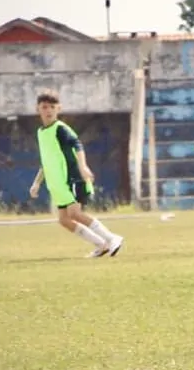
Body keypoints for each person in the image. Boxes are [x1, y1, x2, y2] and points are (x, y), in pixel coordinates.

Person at [29, 89, 124, 258]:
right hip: (58, 183)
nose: (49, 110)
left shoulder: (60, 129)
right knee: (64, 220)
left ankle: (112, 237)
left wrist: (83, 167)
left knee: (75, 214)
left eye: (52, 106)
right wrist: (37, 182)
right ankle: (101, 245)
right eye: (45, 107)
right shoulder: (41, 132)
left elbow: (77, 145)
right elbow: (46, 161)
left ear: (59, 108)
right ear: (38, 109)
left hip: (72, 177)